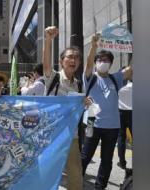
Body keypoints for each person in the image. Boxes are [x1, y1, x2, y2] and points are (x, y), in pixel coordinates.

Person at [42, 26, 91, 190]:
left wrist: (84, 103)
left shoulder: (78, 84)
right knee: (48, 172)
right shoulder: (53, 77)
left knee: (76, 173)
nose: (73, 60)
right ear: (61, 61)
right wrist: (48, 40)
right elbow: (46, 63)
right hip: (52, 134)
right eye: (70, 57)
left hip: (72, 135)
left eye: (76, 58)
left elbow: (78, 110)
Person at [81, 34, 133, 190]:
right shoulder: (90, 77)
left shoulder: (115, 79)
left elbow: (131, 69)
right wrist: (93, 46)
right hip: (91, 122)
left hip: (112, 126)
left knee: (107, 160)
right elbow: (88, 64)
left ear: (111, 63)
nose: (103, 63)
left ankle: (100, 187)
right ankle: (76, 184)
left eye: (106, 60)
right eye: (100, 60)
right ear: (96, 62)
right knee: (85, 156)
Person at [117, 80, 133, 170]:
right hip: (133, 112)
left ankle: (122, 162)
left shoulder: (120, 87)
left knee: (121, 137)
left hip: (121, 112)